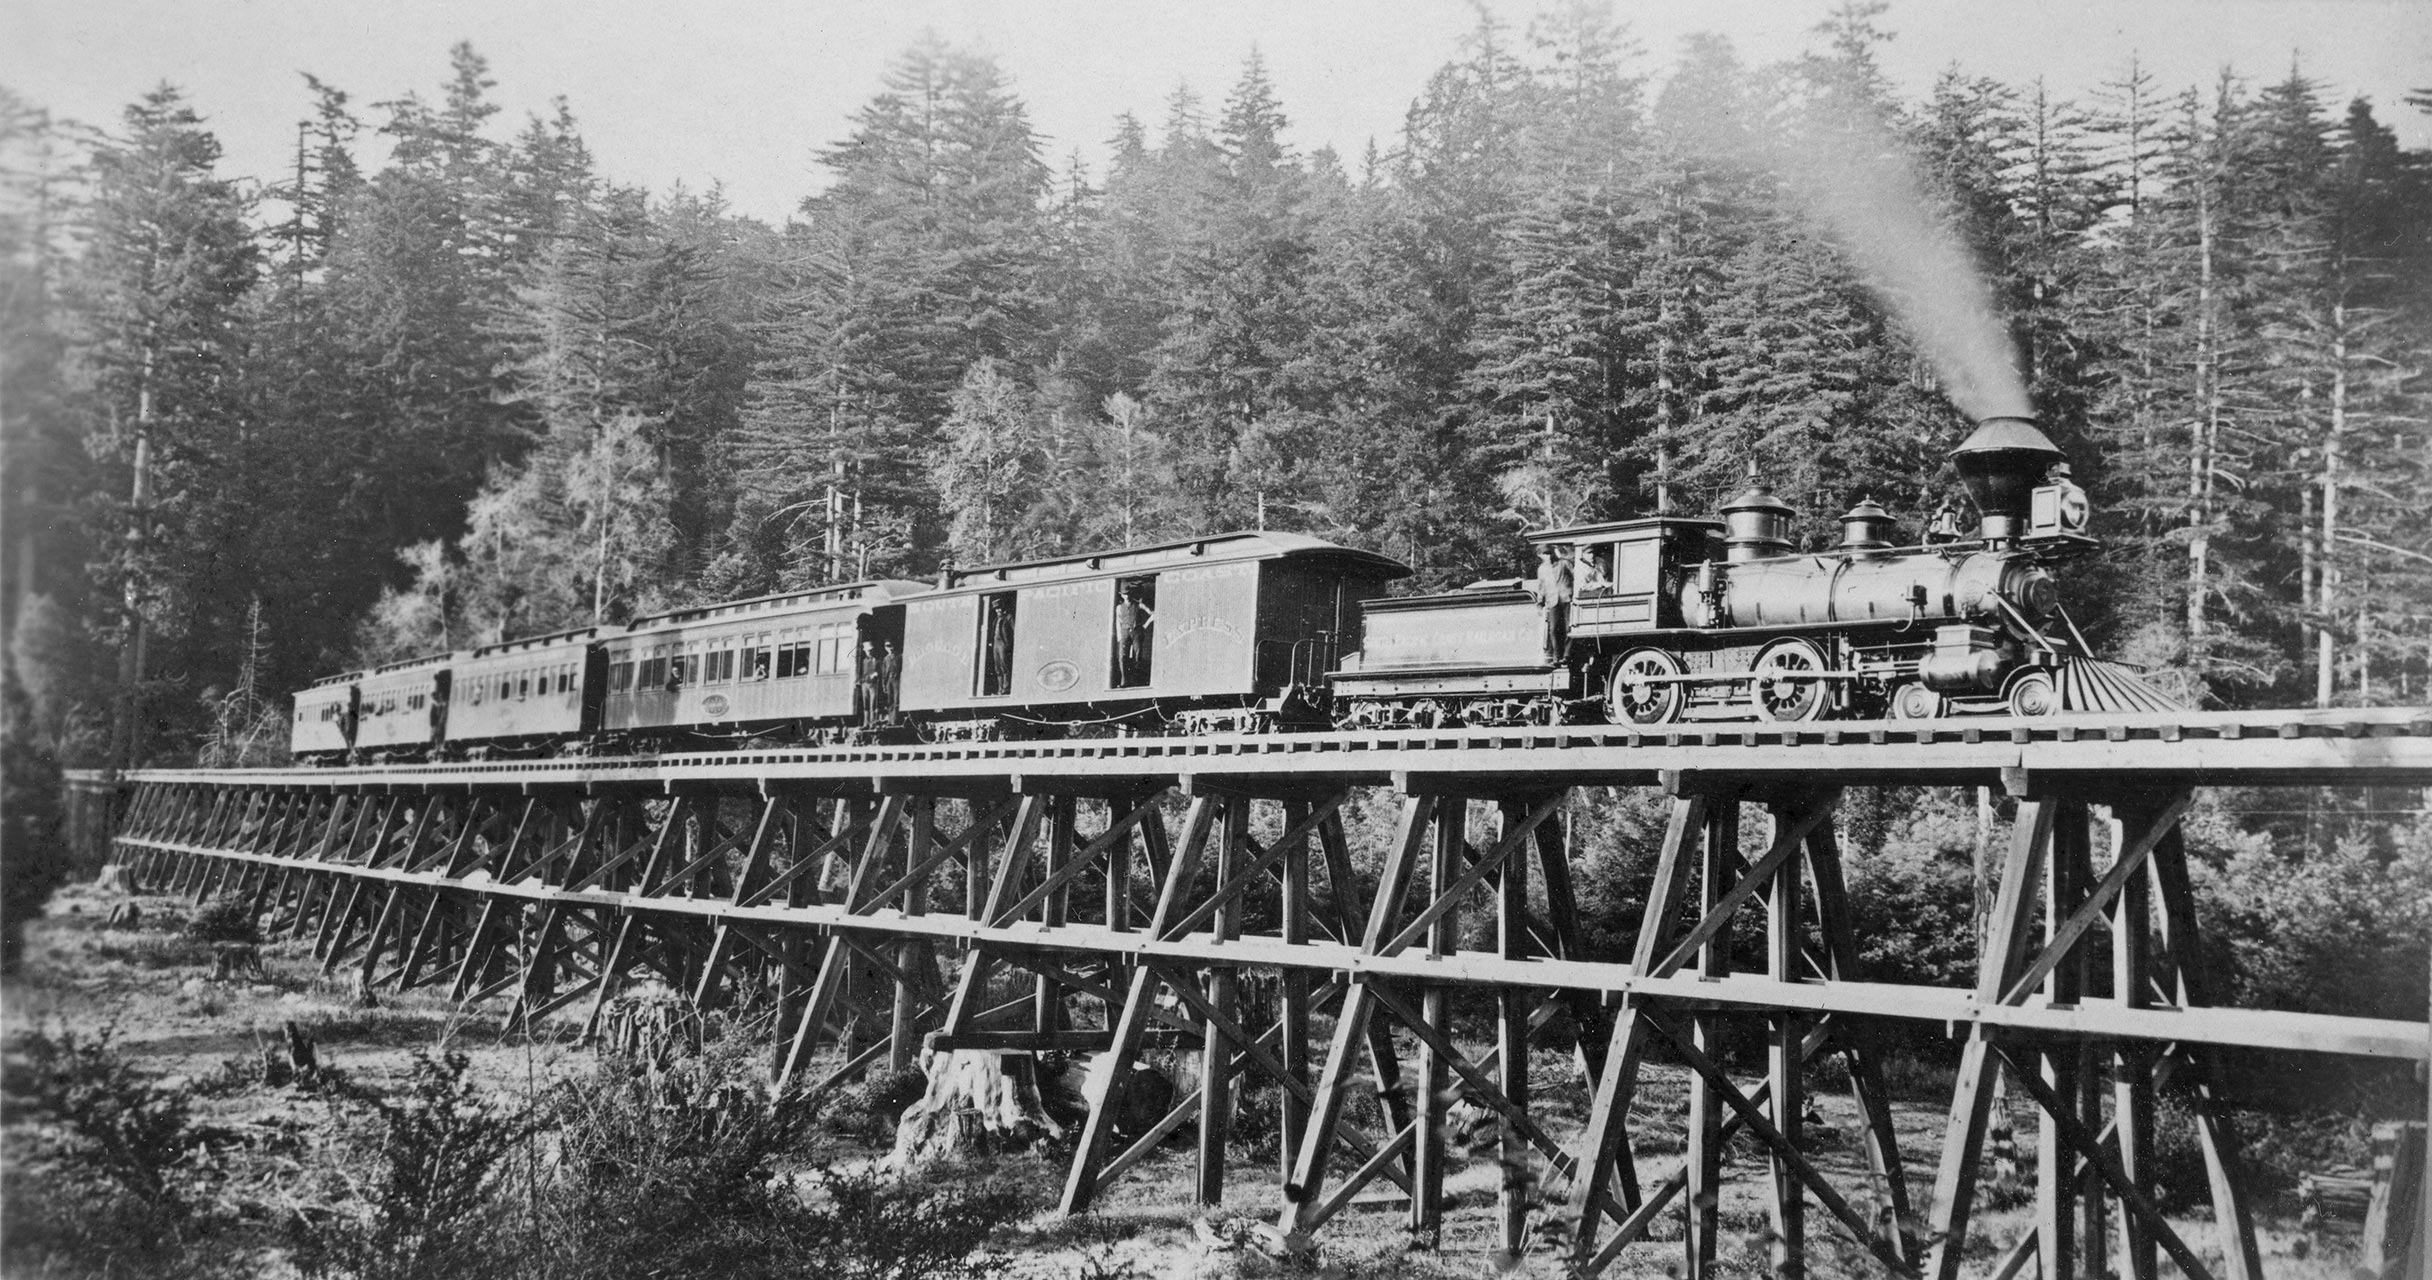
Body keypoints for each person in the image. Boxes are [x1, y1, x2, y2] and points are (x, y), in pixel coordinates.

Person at [1531, 545, 1573, 661]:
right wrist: (1540, 602)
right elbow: (1541, 587)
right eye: (1545, 554)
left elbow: (1575, 576)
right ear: (1540, 555)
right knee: (1553, 629)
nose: (1548, 556)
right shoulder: (1542, 569)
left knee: (1569, 627)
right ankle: (1557, 656)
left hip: (1567, 598)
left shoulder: (1564, 563)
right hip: (1552, 601)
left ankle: (1567, 655)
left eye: (1549, 553)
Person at [1114, 584, 1154, 685]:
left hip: (1136, 632)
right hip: (1124, 633)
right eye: (1124, 594)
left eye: (1127, 594)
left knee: (1137, 656)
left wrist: (1144, 626)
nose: (1126, 596)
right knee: (1123, 657)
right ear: (1121, 595)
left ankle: (1137, 681)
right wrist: (1119, 636)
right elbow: (1118, 622)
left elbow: (1153, 614)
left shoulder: (1138, 605)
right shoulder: (1119, 607)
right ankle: (1124, 682)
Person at [856, 640, 880, 728]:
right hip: (865, 684)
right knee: (865, 704)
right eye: (867, 651)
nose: (869, 652)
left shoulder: (876, 660)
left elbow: (878, 671)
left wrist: (876, 674)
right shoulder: (863, 661)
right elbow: (862, 672)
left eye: (870, 651)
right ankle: (866, 723)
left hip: (873, 684)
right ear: (865, 652)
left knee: (873, 703)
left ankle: (872, 722)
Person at [878, 640, 901, 724]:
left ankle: (895, 719)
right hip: (889, 680)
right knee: (889, 700)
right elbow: (884, 672)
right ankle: (890, 720)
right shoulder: (885, 659)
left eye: (890, 645)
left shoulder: (899, 657)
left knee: (896, 699)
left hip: (896, 679)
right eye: (887, 646)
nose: (889, 648)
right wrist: (884, 684)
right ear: (885, 648)